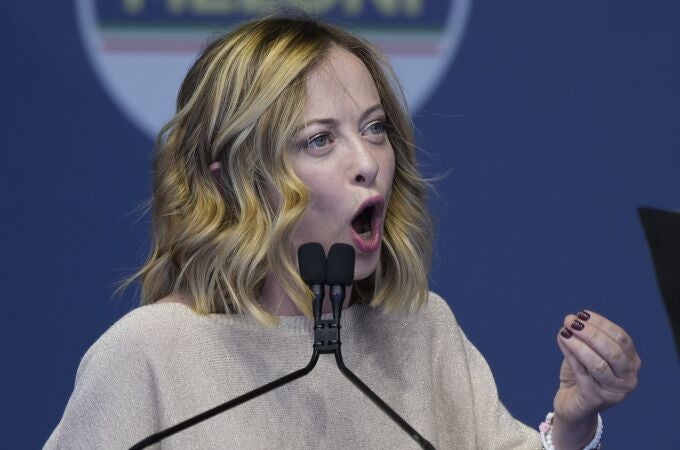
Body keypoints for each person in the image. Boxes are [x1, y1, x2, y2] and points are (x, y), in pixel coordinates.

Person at [45, 15, 640, 449]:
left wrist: (573, 420)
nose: (368, 161)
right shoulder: (148, 354)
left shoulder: (422, 328)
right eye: (320, 140)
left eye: (375, 128)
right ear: (235, 181)